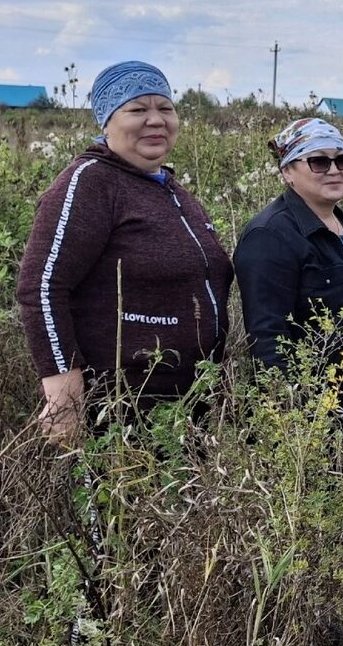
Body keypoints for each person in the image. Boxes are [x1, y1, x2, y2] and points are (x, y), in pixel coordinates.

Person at [16, 61, 233, 446]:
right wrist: (63, 390)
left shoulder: (172, 189)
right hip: (120, 408)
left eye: (165, 108)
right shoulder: (91, 182)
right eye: (137, 110)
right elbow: (42, 285)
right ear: (106, 122)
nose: (156, 120)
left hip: (188, 404)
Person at [234, 118, 343, 430]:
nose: (334, 169)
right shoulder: (270, 235)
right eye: (319, 161)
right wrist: (298, 427)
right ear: (287, 171)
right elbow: (268, 339)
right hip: (328, 419)